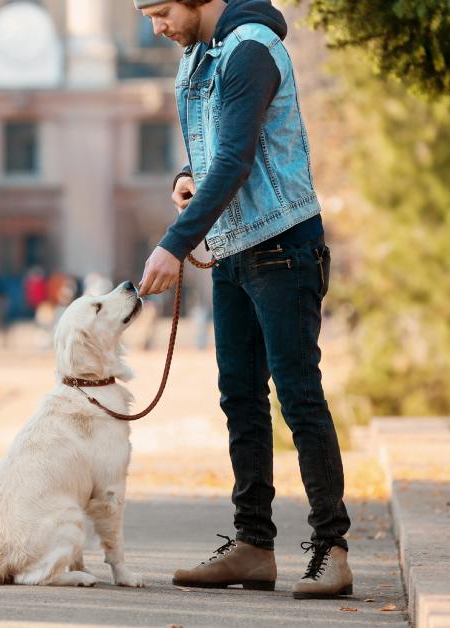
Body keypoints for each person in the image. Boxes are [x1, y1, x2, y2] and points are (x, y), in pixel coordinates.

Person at [134, 0, 353, 599]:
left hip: (284, 248)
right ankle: (254, 545)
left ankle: (331, 548)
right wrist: (186, 174)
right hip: (233, 250)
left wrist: (174, 246)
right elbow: (215, 148)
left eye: (160, 13)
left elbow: (235, 158)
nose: (156, 28)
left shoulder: (251, 48)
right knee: (241, 400)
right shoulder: (199, 54)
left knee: (299, 396)